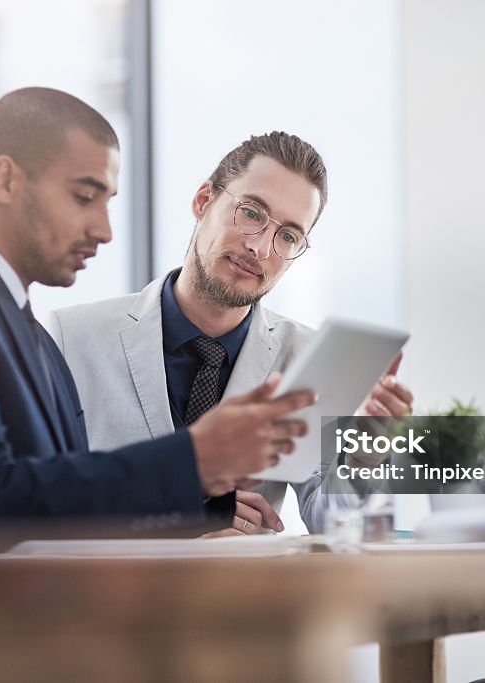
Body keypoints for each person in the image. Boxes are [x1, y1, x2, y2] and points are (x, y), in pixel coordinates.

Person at [0, 89, 316, 532]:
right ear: (4, 180)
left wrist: (385, 443)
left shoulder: (24, 329)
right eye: (84, 197)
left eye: (289, 235)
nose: (105, 231)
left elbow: (57, 494)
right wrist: (194, 460)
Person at [48, 131, 414, 534]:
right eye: (252, 213)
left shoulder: (306, 357)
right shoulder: (71, 338)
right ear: (203, 201)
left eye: (288, 236)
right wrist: (180, 512)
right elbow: (31, 504)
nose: (260, 247)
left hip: (243, 595)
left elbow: (336, 524)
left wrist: (364, 455)